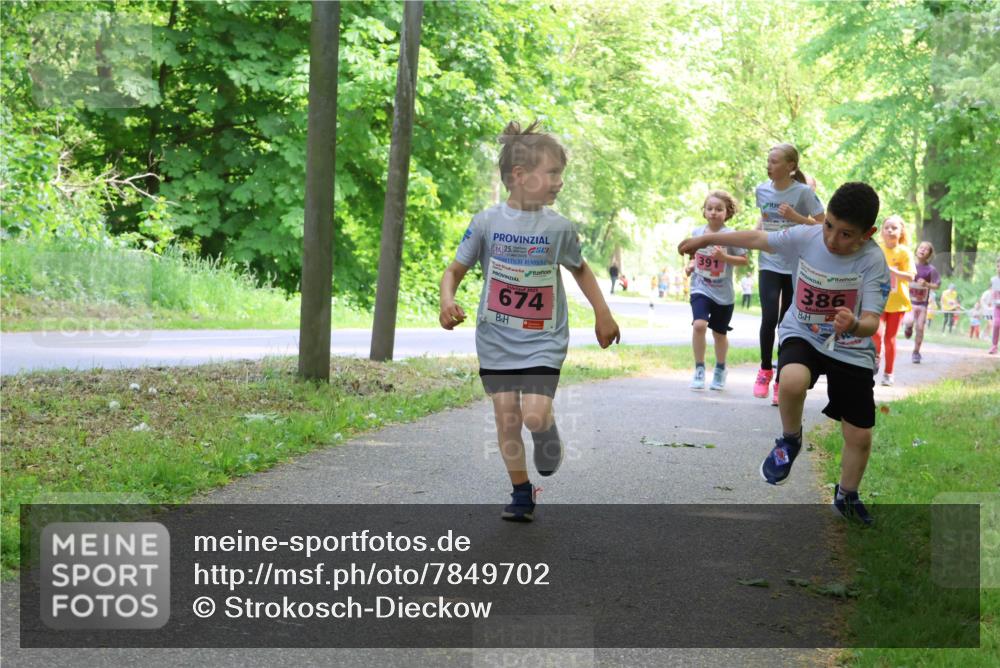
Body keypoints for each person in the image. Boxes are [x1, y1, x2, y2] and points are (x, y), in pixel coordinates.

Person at [439, 120, 620, 523]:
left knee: (534, 414)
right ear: (520, 176)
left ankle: (546, 430)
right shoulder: (486, 223)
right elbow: (454, 271)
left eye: (561, 174)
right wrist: (446, 301)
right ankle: (522, 492)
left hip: (543, 337)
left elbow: (582, 271)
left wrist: (603, 314)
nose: (559, 182)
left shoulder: (558, 228)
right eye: (553, 173)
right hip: (497, 339)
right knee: (507, 417)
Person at [678, 182, 890, 525]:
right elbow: (759, 240)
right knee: (791, 381)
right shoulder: (808, 236)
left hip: (850, 345)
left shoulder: (873, 262)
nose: (833, 239)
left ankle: (847, 495)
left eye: (846, 234)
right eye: (829, 225)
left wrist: (853, 324)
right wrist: (704, 240)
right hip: (802, 331)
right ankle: (790, 440)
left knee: (860, 436)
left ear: (869, 233)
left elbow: (871, 322)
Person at [752, 143, 825, 406]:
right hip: (769, 260)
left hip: (796, 263)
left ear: (790, 167)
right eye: (768, 161)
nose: (769, 165)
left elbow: (823, 225)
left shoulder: (803, 192)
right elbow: (764, 222)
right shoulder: (761, 190)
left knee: (787, 322)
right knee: (769, 316)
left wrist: (796, 216)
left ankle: (782, 380)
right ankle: (764, 370)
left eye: (774, 161)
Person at [684, 190, 748, 391]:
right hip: (700, 287)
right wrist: (691, 265)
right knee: (699, 325)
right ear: (703, 211)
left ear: (727, 212)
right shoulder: (697, 233)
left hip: (723, 294)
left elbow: (744, 260)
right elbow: (693, 255)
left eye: (718, 209)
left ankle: (720, 369)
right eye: (709, 208)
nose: (713, 212)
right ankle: (699, 368)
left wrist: (725, 258)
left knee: (719, 334)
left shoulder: (732, 236)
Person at [871, 215, 915, 385]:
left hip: (898, 303)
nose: (890, 230)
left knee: (890, 339)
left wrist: (893, 272)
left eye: (894, 227)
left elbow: (911, 276)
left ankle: (889, 373)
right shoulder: (877, 250)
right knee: (876, 333)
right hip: (878, 299)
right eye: (887, 227)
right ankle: (875, 357)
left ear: (901, 231)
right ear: (881, 231)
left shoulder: (904, 252)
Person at [904, 241, 941, 363]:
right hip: (909, 303)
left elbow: (937, 285)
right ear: (916, 250)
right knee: (909, 321)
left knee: (920, 327)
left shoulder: (931, 270)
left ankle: (916, 352)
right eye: (921, 247)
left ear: (929, 254)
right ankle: (908, 328)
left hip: (922, 305)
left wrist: (926, 284)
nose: (922, 250)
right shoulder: (909, 265)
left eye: (926, 249)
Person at [990, 258, 1000, 354]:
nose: (999, 268)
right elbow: (993, 294)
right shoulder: (994, 280)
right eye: (998, 266)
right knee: (996, 324)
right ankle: (994, 346)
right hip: (998, 307)